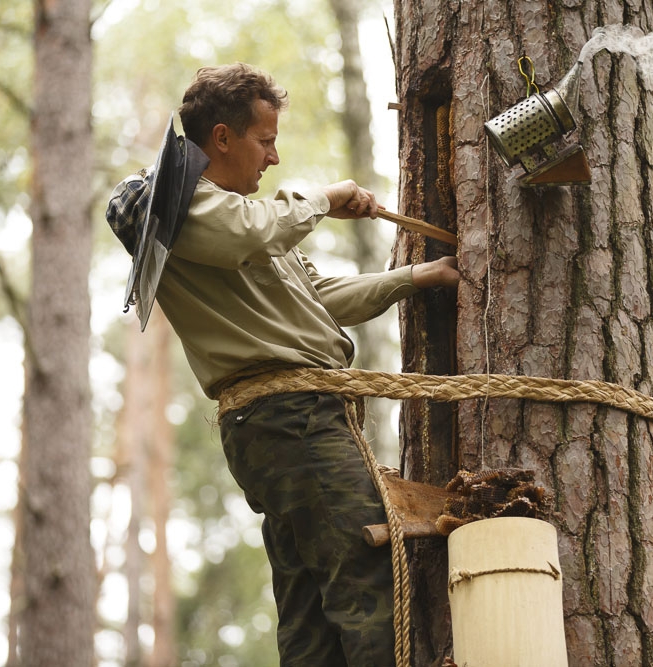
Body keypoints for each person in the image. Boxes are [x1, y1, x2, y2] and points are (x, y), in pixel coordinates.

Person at [106, 63, 459, 665]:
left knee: (310, 618)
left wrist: (418, 276)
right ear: (222, 138)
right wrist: (323, 197)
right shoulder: (180, 205)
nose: (273, 157)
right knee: (368, 581)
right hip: (292, 423)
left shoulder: (241, 221)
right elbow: (256, 231)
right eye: (265, 140)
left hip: (290, 425)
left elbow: (321, 300)